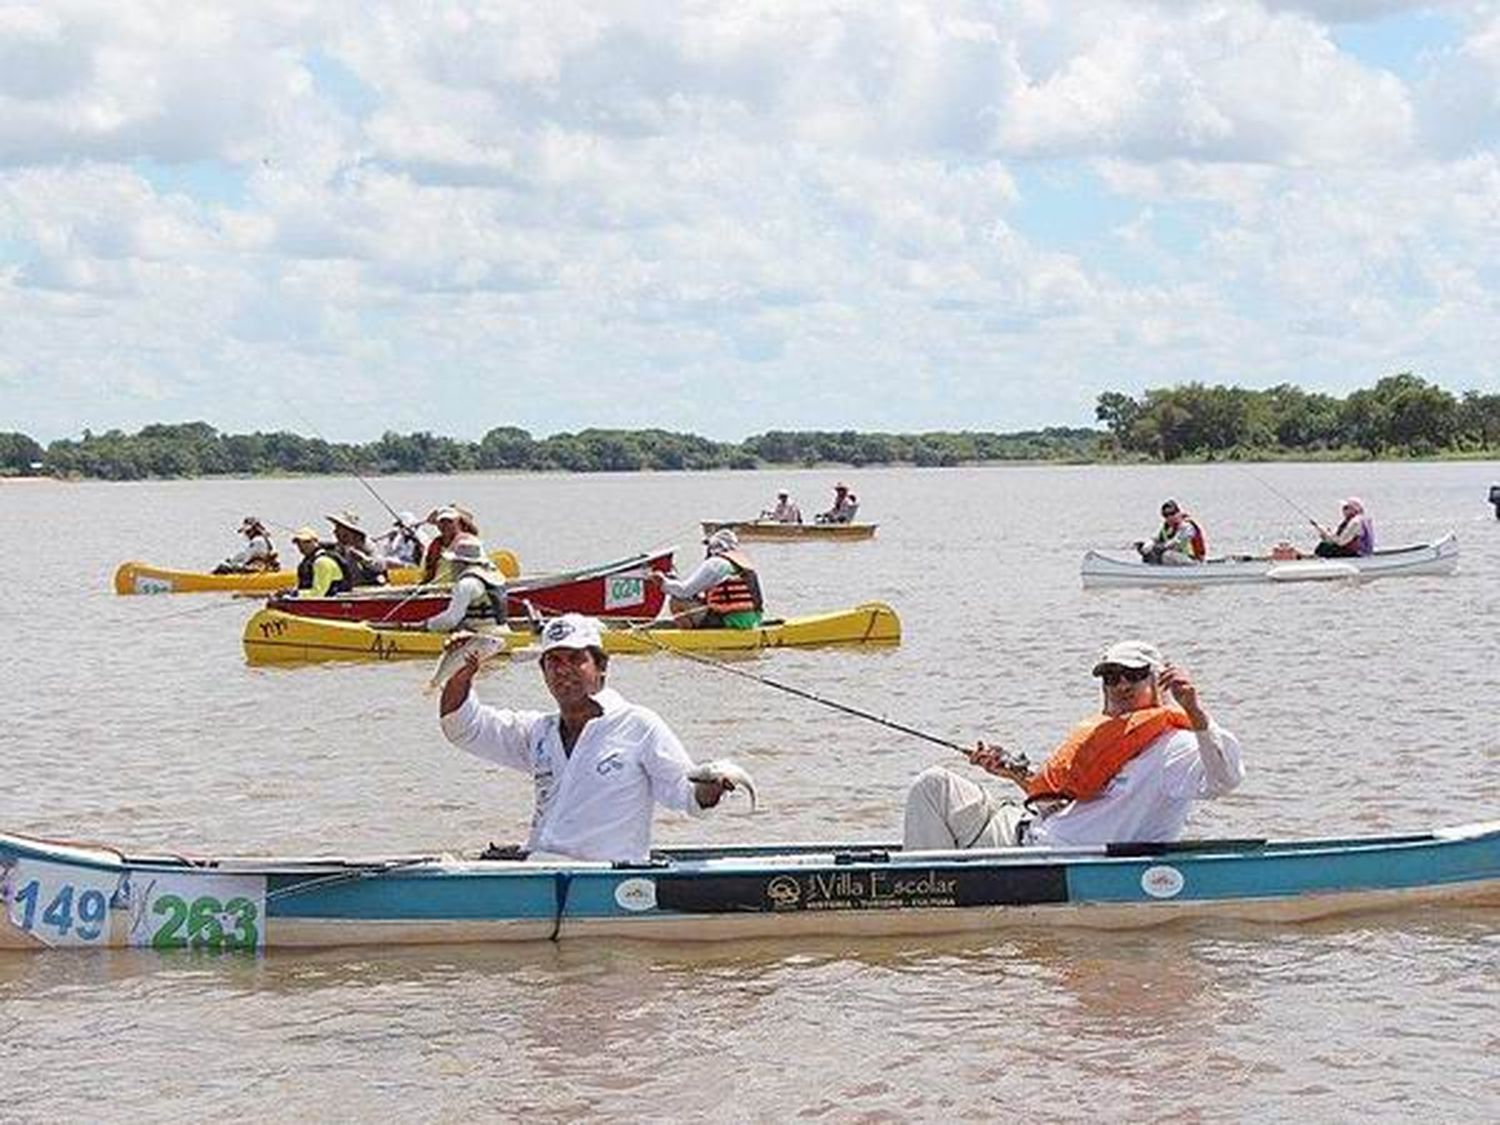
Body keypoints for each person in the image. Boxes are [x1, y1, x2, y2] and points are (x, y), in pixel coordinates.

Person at [438, 613, 737, 862]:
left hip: (608, 880)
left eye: (575, 659)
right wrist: (460, 673)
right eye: (553, 661)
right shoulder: (537, 731)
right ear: (543, 672)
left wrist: (710, 789)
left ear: (601, 668)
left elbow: (686, 795)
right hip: (540, 870)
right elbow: (463, 728)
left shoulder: (639, 725)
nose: (563, 669)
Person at [903, 640, 1243, 851]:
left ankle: (920, 893)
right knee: (939, 785)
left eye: (1133, 675)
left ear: (1159, 682)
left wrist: (1194, 709)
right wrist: (1011, 773)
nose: (1121, 684)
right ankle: (928, 882)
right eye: (1111, 677)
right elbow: (1065, 805)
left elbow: (1224, 780)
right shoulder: (1106, 737)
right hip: (1022, 826)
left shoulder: (1176, 747)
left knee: (931, 786)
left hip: (1037, 853)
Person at [647, 529, 764, 629]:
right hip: (752, 621)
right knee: (692, 599)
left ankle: (691, 640)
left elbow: (683, 591)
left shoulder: (715, 563)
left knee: (677, 601)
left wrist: (662, 582)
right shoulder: (742, 563)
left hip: (729, 621)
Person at [419, 535, 510, 632]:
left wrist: (427, 624)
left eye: (453, 562)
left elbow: (451, 619)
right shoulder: (491, 575)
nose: (451, 565)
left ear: (461, 563)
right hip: (503, 632)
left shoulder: (466, 584)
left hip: (483, 636)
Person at [285, 526, 353, 597]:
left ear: (316, 542)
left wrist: (295, 594)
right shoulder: (307, 562)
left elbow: (319, 593)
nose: (302, 546)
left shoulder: (322, 562)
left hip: (331, 602)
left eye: (307, 542)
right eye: (299, 543)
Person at [1136, 499, 1206, 565]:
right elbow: (1155, 539)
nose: (1169, 517)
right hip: (1178, 559)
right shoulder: (1166, 528)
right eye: (1166, 515)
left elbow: (1176, 542)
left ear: (1178, 513)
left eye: (1172, 513)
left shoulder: (1187, 527)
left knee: (1167, 555)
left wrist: (1160, 546)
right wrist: (1146, 546)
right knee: (1149, 553)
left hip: (1194, 561)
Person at [326, 510, 388, 585]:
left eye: (339, 527)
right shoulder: (340, 547)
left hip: (369, 586)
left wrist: (363, 559)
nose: (335, 532)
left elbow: (381, 566)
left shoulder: (367, 545)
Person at [214, 516, 279, 574]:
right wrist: (232, 559)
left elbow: (246, 558)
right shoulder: (264, 539)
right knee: (229, 564)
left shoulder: (257, 541)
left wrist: (232, 563)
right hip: (263, 567)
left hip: (257, 569)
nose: (246, 534)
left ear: (253, 530)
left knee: (223, 566)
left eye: (247, 532)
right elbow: (244, 554)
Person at [421, 507, 465, 583]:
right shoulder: (435, 544)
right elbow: (428, 569)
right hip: (435, 588)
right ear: (437, 524)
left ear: (457, 522)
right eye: (442, 522)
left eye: (449, 522)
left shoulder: (465, 541)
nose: (446, 525)